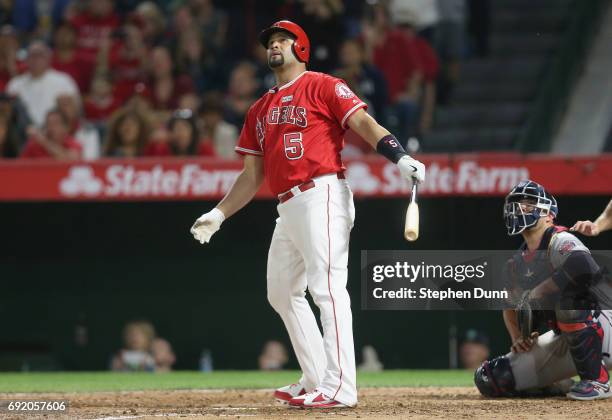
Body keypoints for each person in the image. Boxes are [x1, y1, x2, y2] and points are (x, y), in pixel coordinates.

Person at [189, 20, 425, 409]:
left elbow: (363, 122)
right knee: (281, 291)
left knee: (327, 288)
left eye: (283, 39)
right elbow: (252, 176)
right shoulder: (259, 108)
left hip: (323, 193)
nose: (275, 45)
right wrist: (219, 213)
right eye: (271, 42)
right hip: (287, 204)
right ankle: (316, 377)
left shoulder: (323, 84)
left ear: (301, 48)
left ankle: (341, 387)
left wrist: (397, 156)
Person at [474, 180, 612, 400]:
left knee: (570, 300)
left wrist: (539, 290)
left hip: (605, 328)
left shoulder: (559, 239)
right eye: (516, 204)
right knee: (491, 377)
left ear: (548, 214)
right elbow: (509, 306)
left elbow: (584, 269)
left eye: (528, 204)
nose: (519, 209)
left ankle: (597, 381)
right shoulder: (514, 264)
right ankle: (559, 384)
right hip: (568, 340)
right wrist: (518, 337)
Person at [6, 41, 80, 127]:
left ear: (49, 58)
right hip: (22, 133)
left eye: (39, 55)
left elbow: (75, 112)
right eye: (32, 56)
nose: (35, 60)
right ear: (26, 60)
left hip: (54, 132)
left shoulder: (64, 81)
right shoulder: (15, 83)